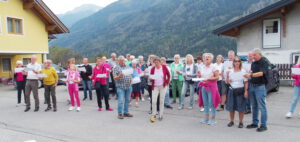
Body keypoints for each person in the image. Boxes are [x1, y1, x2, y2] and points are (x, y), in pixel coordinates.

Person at [244, 48, 268, 132]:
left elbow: (261, 73)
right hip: (252, 86)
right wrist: (249, 73)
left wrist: (251, 75)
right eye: (252, 55)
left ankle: (264, 125)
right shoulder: (253, 63)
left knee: (262, 106)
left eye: (254, 55)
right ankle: (255, 123)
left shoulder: (264, 61)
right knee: (254, 106)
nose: (253, 57)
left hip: (260, 87)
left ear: (259, 54)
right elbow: (252, 72)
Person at [198, 53, 220, 125]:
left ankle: (213, 119)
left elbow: (217, 77)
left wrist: (208, 79)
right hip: (204, 86)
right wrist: (199, 76)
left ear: (211, 59)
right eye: (205, 57)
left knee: (212, 103)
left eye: (208, 57)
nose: (206, 58)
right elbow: (201, 77)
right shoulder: (202, 67)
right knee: (205, 104)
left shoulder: (213, 67)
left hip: (211, 87)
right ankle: (206, 118)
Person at [226, 57, 249, 128]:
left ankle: (241, 122)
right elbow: (227, 82)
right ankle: (231, 121)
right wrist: (227, 76)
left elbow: (246, 82)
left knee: (241, 107)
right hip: (232, 90)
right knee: (231, 107)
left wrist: (246, 91)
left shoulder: (243, 71)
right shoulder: (230, 71)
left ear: (240, 62)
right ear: (233, 62)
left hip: (240, 90)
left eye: (238, 61)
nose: (237, 62)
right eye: (235, 61)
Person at [149, 57, 170, 123]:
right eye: (155, 63)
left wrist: (167, 82)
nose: (156, 64)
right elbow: (151, 77)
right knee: (154, 101)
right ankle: (154, 115)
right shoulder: (153, 69)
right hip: (155, 86)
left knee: (161, 101)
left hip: (162, 86)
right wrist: (150, 78)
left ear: (160, 62)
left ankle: (161, 115)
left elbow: (168, 75)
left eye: (157, 62)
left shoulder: (164, 67)